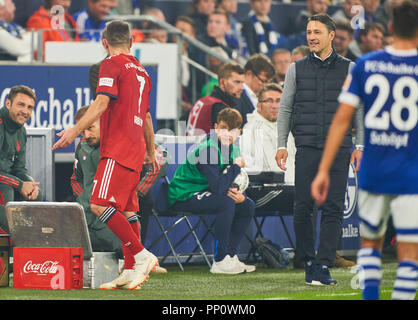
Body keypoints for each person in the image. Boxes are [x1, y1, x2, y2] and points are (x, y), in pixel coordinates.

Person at [311, 0, 418, 300]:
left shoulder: (367, 66)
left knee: (370, 245)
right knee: (409, 251)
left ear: (392, 29)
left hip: (374, 169)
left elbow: (341, 121)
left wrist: (323, 169)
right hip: (410, 171)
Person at [53, 20, 159, 291]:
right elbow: (146, 116)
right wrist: (150, 150)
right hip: (135, 149)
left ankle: (141, 255)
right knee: (127, 209)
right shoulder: (143, 73)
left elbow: (101, 102)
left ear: (104, 42)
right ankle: (131, 267)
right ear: (132, 41)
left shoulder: (110, 64)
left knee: (99, 205)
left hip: (118, 148)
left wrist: (74, 130)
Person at [275, 14, 364, 286]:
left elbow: (359, 108)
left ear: (331, 35)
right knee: (302, 207)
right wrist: (281, 144)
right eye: (308, 31)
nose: (311, 36)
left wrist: (359, 144)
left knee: (334, 208)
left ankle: (323, 264)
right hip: (307, 148)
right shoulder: (295, 69)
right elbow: (286, 108)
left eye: (316, 31)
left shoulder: (350, 68)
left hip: (339, 149)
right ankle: (308, 260)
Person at [71, 106, 168, 272]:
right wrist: (83, 197)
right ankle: (137, 260)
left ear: (103, 122)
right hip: (88, 212)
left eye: (90, 128)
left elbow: (161, 159)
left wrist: (136, 191)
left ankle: (137, 259)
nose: (86, 135)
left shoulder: (122, 138)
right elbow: (75, 178)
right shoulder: (81, 147)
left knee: (130, 222)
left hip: (115, 207)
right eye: (81, 131)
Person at [168, 108, 256, 274]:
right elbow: (218, 187)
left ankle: (231, 255)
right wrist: (236, 166)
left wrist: (237, 192)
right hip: (184, 194)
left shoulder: (234, 150)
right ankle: (220, 259)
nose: (227, 133)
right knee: (226, 202)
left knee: (247, 204)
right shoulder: (208, 149)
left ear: (239, 132)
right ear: (216, 128)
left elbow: (228, 181)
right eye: (223, 128)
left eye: (232, 130)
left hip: (206, 191)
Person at [0, 85, 42, 235]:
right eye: (21, 105)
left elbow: (19, 168)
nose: (25, 111)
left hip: (6, 182)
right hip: (4, 187)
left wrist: (30, 184)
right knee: (6, 191)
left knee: (37, 195)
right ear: (8, 103)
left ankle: (33, 251)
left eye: (30, 107)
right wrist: (19, 185)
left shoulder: (21, 130)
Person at [186, 62, 244, 136]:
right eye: (237, 82)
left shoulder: (203, 100)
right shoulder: (219, 108)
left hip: (190, 146)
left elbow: (182, 121)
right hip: (206, 147)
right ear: (222, 83)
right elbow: (229, 140)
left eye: (242, 83)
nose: (241, 88)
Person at [236, 53, 275, 126]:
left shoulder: (259, 97)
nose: (265, 86)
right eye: (263, 81)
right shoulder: (237, 95)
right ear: (249, 74)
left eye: (268, 82)